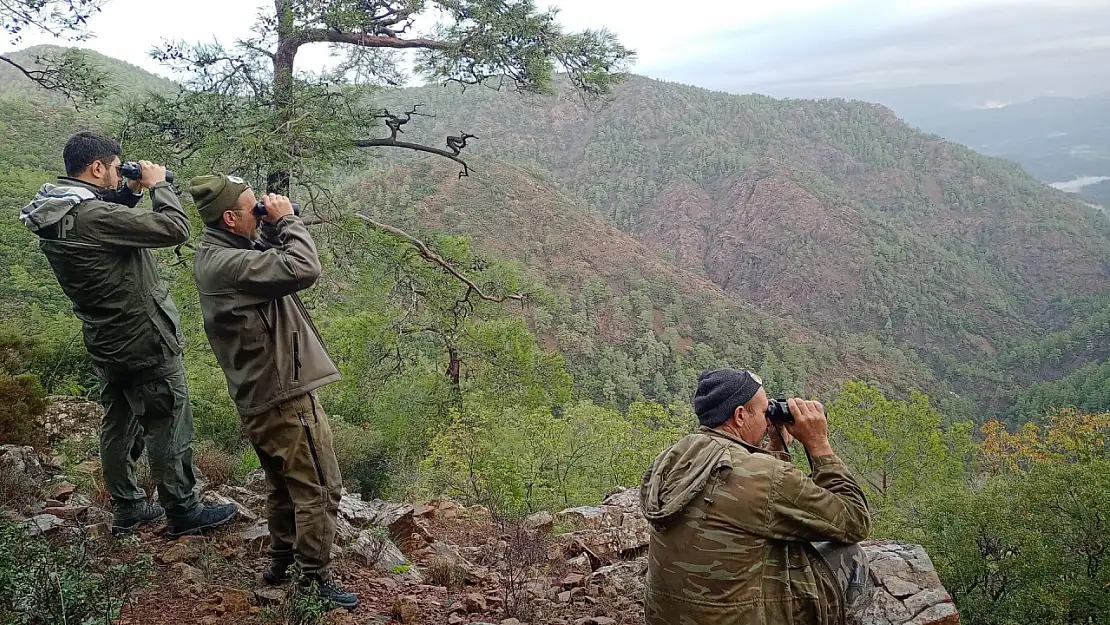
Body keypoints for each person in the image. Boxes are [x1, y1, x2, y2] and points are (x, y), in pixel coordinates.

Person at [19, 131, 237, 536]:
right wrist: (158, 187)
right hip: (144, 338)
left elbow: (102, 223)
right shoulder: (95, 217)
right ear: (97, 167)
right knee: (168, 419)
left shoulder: (55, 211)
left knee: (119, 421)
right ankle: (183, 510)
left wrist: (129, 193)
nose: (121, 173)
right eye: (116, 167)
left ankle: (129, 507)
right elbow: (173, 229)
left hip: (105, 339)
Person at [187, 174, 357, 610]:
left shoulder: (217, 253)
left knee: (283, 485)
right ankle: (314, 583)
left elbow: (262, 261)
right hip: (284, 398)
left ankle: (281, 561)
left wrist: (264, 226)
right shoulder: (232, 265)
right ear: (229, 218)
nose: (259, 210)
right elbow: (303, 267)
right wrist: (289, 221)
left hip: (259, 395)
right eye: (251, 209)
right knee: (320, 487)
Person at [640, 368, 872, 625]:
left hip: (668, 617)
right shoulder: (766, 477)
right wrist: (819, 445)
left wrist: (774, 448)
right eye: (764, 413)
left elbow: (751, 503)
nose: (768, 421)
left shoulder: (676, 456)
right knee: (850, 554)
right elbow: (855, 521)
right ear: (740, 416)